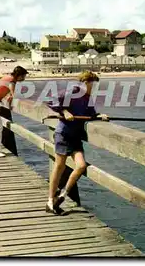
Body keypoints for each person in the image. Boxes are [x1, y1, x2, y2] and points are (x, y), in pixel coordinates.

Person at [45, 71, 108, 215]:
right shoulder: (72, 91)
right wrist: (65, 111)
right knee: (59, 166)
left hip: (75, 137)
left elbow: (91, 114)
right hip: (63, 134)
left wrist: (99, 116)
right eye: (93, 84)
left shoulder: (87, 97)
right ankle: (50, 200)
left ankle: (62, 195)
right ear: (86, 83)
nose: (94, 88)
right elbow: (50, 100)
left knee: (81, 166)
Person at [0, 66, 28, 158]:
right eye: (23, 76)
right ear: (19, 75)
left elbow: (2, 89)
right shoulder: (12, 81)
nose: (24, 78)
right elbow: (14, 94)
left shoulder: (7, 77)